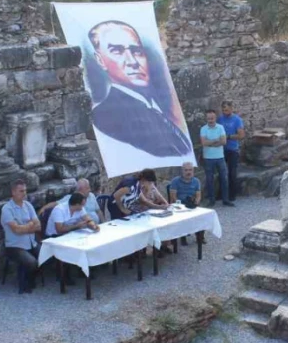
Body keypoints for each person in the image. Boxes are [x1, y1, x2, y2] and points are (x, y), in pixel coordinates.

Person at [85, 20, 193, 159]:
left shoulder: (157, 108)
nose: (132, 62)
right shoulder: (104, 116)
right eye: (117, 51)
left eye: (137, 51)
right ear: (100, 60)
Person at [1, 179, 43, 294]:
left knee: (46, 255)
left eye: (25, 191)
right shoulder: (7, 209)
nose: (24, 193)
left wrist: (25, 227)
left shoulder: (28, 205)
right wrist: (30, 224)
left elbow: (38, 226)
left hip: (31, 242)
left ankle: (31, 279)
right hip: (15, 246)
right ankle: (25, 284)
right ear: (13, 192)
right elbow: (16, 230)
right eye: (21, 191)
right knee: (31, 262)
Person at [200, 109, 233, 207]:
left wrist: (210, 142)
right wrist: (216, 140)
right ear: (206, 119)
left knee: (224, 178)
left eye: (212, 118)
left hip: (220, 157)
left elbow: (223, 142)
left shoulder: (220, 127)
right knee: (209, 180)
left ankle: (225, 200)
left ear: (215, 118)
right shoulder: (203, 129)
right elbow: (203, 143)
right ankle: (211, 200)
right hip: (208, 158)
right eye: (209, 118)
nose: (211, 120)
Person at [168, 162, 204, 247]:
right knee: (183, 216)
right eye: (186, 170)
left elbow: (198, 195)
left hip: (191, 203)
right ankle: (182, 236)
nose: (188, 172)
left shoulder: (196, 181)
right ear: (182, 171)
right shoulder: (175, 181)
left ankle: (200, 236)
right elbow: (173, 197)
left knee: (202, 216)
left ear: (193, 170)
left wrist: (196, 203)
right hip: (179, 205)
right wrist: (181, 206)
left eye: (190, 170)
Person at [219, 100, 245, 202]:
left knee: (232, 172)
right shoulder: (220, 119)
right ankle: (222, 194)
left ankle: (232, 194)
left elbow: (241, 135)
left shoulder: (237, 120)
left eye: (226, 109)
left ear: (231, 108)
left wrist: (228, 137)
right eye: (223, 110)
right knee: (222, 172)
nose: (225, 112)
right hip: (221, 149)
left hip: (233, 150)